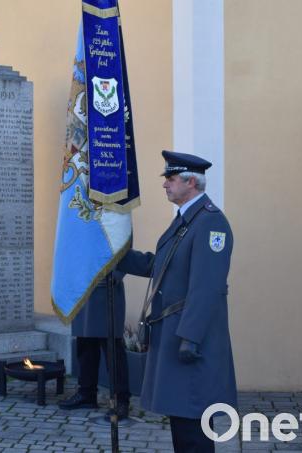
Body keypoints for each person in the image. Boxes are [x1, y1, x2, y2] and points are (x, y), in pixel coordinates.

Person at [118, 150, 237, 452]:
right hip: (175, 334)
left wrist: (190, 339)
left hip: (189, 339)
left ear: (191, 182)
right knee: (182, 421)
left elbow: (206, 288)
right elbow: (162, 265)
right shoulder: (187, 221)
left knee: (193, 423)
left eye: (170, 178)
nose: (165, 184)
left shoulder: (210, 223)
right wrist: (117, 258)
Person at [58, 272, 131, 420]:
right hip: (83, 289)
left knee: (112, 349)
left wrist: (115, 274)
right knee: (85, 343)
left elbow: (124, 249)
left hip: (106, 288)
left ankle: (121, 400)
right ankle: (87, 393)